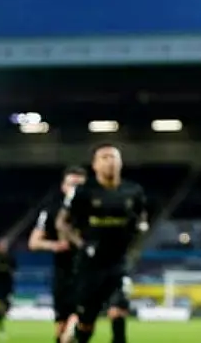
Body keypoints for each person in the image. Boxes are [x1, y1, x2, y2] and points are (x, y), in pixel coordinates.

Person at [56, 145, 147, 343]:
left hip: (118, 263)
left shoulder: (133, 191)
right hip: (89, 266)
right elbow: (62, 222)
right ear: (95, 165)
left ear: (121, 163)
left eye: (114, 157)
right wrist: (82, 244)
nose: (110, 161)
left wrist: (139, 229)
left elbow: (141, 218)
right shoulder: (83, 192)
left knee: (118, 313)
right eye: (104, 157)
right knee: (86, 324)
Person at [28, 166, 87, 343]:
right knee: (61, 328)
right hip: (62, 273)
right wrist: (55, 245)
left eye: (79, 185)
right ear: (63, 186)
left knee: (78, 321)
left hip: (86, 273)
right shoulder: (51, 212)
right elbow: (34, 242)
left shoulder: (93, 212)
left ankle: (71, 333)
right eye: (71, 184)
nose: (75, 190)